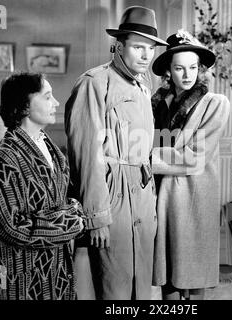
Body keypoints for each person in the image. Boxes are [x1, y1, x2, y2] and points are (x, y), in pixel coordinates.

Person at [64, 6, 168, 300]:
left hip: (143, 198)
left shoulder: (143, 87)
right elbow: (86, 155)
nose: (146, 55)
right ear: (119, 46)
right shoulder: (95, 83)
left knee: (142, 288)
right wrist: (97, 216)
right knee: (115, 288)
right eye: (138, 47)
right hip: (114, 196)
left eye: (150, 48)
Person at [0, 72, 85, 300]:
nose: (56, 103)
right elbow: (11, 227)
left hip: (56, 270)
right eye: (47, 97)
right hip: (17, 274)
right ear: (24, 105)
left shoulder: (50, 149)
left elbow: (67, 199)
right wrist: (72, 221)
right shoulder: (2, 160)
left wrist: (69, 212)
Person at [151, 30, 230, 300]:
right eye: (179, 68)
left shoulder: (215, 104)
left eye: (194, 67)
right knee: (168, 278)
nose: (188, 74)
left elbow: (194, 157)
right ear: (168, 72)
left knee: (194, 278)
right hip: (164, 195)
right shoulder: (156, 103)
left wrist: (143, 158)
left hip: (195, 196)